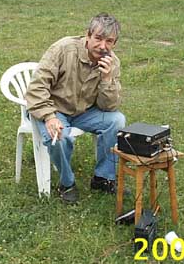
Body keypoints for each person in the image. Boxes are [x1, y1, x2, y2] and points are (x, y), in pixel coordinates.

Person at [25, 13, 126, 204]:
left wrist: (107, 79)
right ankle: (67, 183)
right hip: (52, 108)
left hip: (83, 112)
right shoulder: (63, 49)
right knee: (59, 137)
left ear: (115, 43)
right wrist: (49, 117)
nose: (102, 46)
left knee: (117, 120)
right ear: (88, 35)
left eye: (109, 41)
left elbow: (109, 107)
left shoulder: (112, 63)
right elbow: (37, 87)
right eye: (98, 38)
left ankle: (103, 178)